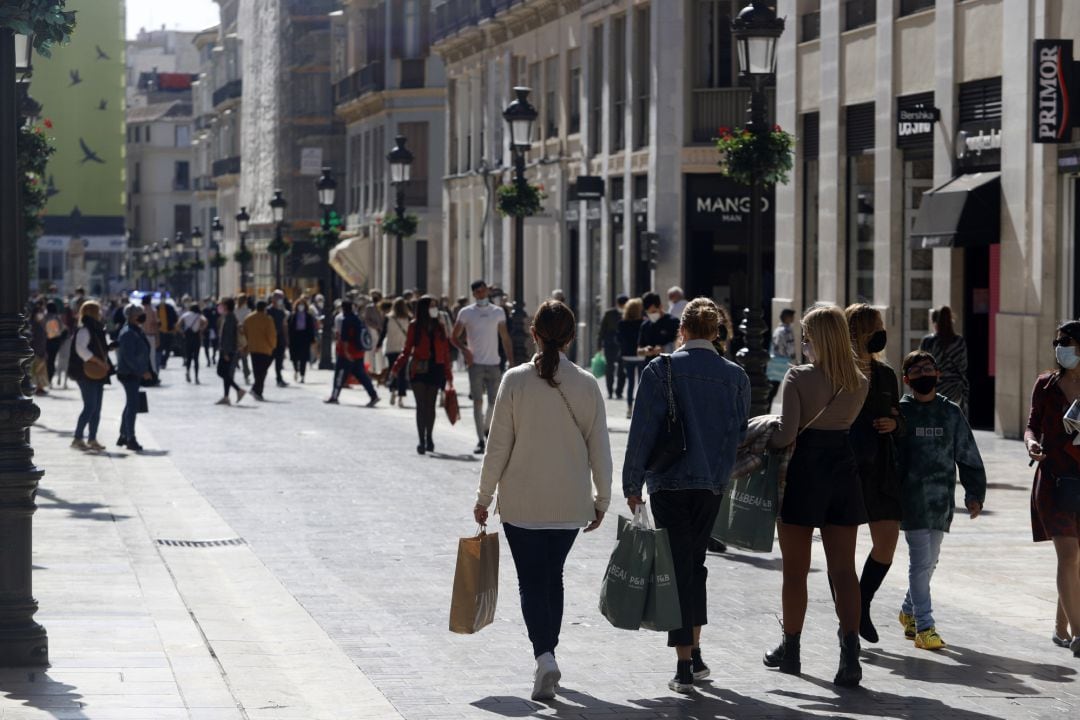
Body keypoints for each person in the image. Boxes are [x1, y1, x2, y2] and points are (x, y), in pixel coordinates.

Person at [473, 300, 611, 702]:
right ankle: (549, 652)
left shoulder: (515, 381)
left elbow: (497, 446)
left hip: (522, 503)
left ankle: (544, 655)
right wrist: (602, 498)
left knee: (532, 581)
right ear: (571, 337)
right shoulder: (586, 384)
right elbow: (599, 448)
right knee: (554, 577)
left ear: (533, 334)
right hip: (569, 504)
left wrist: (484, 496)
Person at [622, 298, 749, 693]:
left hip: (669, 482)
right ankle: (694, 652)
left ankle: (684, 663)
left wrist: (632, 483)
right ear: (715, 332)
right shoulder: (736, 377)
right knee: (695, 565)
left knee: (678, 569)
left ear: (683, 330)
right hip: (710, 483)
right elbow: (739, 435)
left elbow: (643, 429)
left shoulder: (662, 369)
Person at [763, 304, 869, 687]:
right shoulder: (860, 381)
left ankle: (790, 650)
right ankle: (850, 657)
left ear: (817, 340)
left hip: (805, 473)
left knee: (795, 570)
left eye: (806, 338)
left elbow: (787, 435)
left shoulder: (797, 378)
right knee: (844, 570)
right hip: (843, 471)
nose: (803, 345)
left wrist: (764, 438)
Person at [897, 350, 986, 650]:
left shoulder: (950, 413)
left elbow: (968, 454)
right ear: (906, 379)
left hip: (941, 502)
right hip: (911, 501)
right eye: (916, 370)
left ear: (939, 375)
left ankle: (908, 610)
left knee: (930, 562)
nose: (924, 374)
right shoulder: (900, 414)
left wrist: (974, 493)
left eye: (928, 368)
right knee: (920, 562)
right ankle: (925, 626)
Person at [845, 304, 905, 645]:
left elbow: (900, 415)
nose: (883, 331)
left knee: (887, 541)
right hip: (848, 466)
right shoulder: (839, 371)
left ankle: (862, 601)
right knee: (843, 551)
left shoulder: (885, 375)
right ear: (861, 331)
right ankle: (849, 621)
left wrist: (895, 423)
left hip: (881, 466)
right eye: (878, 326)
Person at [1025, 321, 1080, 658]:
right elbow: (1031, 425)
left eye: (1069, 342)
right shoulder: (1046, 385)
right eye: (1058, 342)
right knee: (1069, 555)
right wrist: (1031, 445)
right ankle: (1079, 635)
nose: (1061, 347)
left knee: (1077, 561)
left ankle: (1061, 626)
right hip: (1054, 480)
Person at [452, 280, 514, 454]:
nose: (481, 294)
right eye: (477, 292)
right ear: (473, 294)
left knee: (494, 403)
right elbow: (454, 337)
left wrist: (511, 361)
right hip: (476, 364)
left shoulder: (498, 312)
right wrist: (465, 351)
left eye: (483, 291)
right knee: (478, 402)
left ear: (487, 291)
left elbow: (505, 337)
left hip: (494, 363)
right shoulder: (466, 313)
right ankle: (480, 439)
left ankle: (487, 430)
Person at [390, 296, 455, 453]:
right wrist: (396, 367)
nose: (434, 308)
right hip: (419, 367)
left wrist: (448, 374)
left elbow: (445, 352)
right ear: (424, 308)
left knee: (430, 406)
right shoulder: (415, 326)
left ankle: (429, 438)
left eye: (435, 305)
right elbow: (407, 349)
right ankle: (421, 440)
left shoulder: (440, 326)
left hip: (436, 368)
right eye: (432, 305)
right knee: (421, 406)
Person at [69, 300, 113, 452]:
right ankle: (77, 437)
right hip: (86, 373)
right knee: (90, 406)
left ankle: (92, 438)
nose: (101, 314)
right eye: (98, 311)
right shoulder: (85, 330)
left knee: (97, 408)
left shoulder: (95, 330)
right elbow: (82, 351)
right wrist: (100, 362)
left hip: (96, 373)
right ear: (93, 313)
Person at [325, 300, 380, 407]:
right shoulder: (358, 319)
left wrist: (346, 353)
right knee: (362, 376)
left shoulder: (346, 320)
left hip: (347, 353)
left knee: (339, 375)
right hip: (359, 352)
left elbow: (344, 339)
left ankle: (334, 396)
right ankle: (373, 395)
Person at [919, 306, 969, 416]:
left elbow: (920, 365)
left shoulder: (928, 342)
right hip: (955, 389)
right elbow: (963, 367)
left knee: (936, 421)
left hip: (934, 388)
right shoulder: (959, 342)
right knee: (953, 421)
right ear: (951, 321)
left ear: (935, 323)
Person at [116, 304, 153, 452]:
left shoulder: (135, 330)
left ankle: (124, 435)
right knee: (132, 406)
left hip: (133, 373)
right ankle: (130, 438)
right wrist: (141, 371)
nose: (143, 316)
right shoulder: (128, 333)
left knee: (130, 404)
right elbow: (128, 356)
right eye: (140, 314)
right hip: (130, 373)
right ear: (132, 317)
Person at [243, 300, 277, 401]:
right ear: (265, 308)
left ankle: (257, 390)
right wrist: (273, 346)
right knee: (262, 371)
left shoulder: (248, 319)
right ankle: (257, 390)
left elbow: (245, 333)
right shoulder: (268, 319)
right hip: (265, 349)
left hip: (253, 348)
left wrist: (247, 345)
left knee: (257, 371)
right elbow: (271, 335)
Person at [380, 297, 412, 407]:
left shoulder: (388, 318)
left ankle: (393, 391)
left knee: (392, 370)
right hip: (404, 349)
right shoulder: (408, 318)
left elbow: (383, 333)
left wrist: (378, 345)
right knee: (402, 373)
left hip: (391, 348)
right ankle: (401, 398)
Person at [618, 298, 646, 419]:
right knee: (641, 382)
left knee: (630, 383)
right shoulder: (643, 323)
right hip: (640, 355)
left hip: (627, 356)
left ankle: (629, 408)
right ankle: (640, 408)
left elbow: (618, 339)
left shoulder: (622, 323)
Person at [215, 298, 246, 406]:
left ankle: (239, 390)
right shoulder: (229, 317)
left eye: (222, 305)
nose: (220, 306)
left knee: (221, 372)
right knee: (226, 374)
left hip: (228, 351)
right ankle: (226, 396)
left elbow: (228, 337)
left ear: (226, 306)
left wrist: (225, 353)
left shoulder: (229, 318)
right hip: (229, 350)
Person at [598, 294, 628, 400]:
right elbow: (602, 330)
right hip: (610, 345)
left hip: (623, 345)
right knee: (609, 369)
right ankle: (610, 391)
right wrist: (599, 345)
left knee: (622, 370)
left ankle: (619, 391)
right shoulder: (609, 313)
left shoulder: (628, 313)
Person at [638, 292, 680, 362]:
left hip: (669, 365)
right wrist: (645, 351)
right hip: (650, 366)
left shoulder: (673, 322)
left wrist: (663, 349)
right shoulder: (645, 325)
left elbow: (680, 344)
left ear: (660, 306)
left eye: (654, 311)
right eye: (648, 313)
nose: (651, 315)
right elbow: (638, 350)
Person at [768, 308, 797, 405]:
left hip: (775, 361)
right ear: (787, 318)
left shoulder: (777, 329)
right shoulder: (787, 330)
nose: (793, 318)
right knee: (788, 386)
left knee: (773, 388)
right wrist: (794, 360)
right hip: (784, 362)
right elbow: (790, 347)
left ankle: (767, 408)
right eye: (792, 316)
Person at [288, 298, 317, 383]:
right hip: (295, 338)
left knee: (303, 358)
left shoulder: (308, 316)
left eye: (303, 305)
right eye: (299, 304)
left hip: (304, 338)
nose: (301, 306)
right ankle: (296, 370)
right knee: (294, 357)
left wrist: (312, 339)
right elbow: (289, 328)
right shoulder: (292, 315)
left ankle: (302, 375)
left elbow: (311, 328)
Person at [179, 303, 208, 384]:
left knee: (188, 357)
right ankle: (196, 377)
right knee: (196, 358)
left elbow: (178, 325)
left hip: (188, 338)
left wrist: (182, 332)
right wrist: (201, 329)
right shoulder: (199, 316)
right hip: (196, 337)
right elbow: (205, 321)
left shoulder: (185, 315)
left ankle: (187, 372)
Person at [267, 290, 290, 388]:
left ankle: (279, 379)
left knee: (279, 360)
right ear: (273, 299)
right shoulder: (268, 311)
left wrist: (286, 338)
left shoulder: (282, 312)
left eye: (282, 298)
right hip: (270, 339)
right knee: (268, 360)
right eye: (278, 297)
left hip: (280, 339)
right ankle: (260, 376)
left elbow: (284, 325)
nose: (280, 300)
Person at [43, 301, 67, 384]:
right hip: (56, 341)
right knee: (52, 360)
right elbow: (63, 329)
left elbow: (42, 329)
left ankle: (46, 378)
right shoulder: (57, 318)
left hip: (46, 341)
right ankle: (50, 378)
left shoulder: (45, 317)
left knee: (46, 360)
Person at [235, 293, 252, 384]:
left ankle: (245, 372)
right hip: (244, 334)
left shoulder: (234, 310)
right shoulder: (248, 311)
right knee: (244, 356)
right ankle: (246, 374)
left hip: (236, 334)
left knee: (238, 355)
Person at [141, 294, 160, 375]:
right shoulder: (153, 310)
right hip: (151, 335)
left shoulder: (140, 310)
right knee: (152, 356)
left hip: (141, 336)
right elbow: (156, 324)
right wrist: (158, 337)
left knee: (142, 356)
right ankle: (153, 374)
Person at [202, 299, 219, 368]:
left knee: (215, 345)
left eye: (209, 302)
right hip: (206, 330)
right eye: (207, 302)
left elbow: (219, 318)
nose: (208, 303)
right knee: (206, 346)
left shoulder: (215, 310)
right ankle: (208, 360)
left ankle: (214, 357)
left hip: (214, 330)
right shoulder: (204, 311)